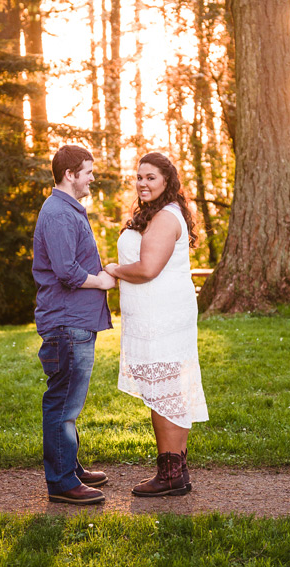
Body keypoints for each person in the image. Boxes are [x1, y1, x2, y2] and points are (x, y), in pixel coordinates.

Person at [105, 152, 208, 497]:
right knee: (167, 390)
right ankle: (176, 469)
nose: (143, 183)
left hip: (161, 315)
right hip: (157, 312)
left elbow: (148, 268)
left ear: (167, 181)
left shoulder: (165, 217)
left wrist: (114, 270)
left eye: (150, 177)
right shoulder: (158, 214)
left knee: (164, 391)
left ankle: (170, 474)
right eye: (139, 177)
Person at [33, 144, 116, 505]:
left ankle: (70, 467)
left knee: (69, 402)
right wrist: (102, 280)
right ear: (70, 175)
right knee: (63, 404)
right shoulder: (59, 214)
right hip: (67, 323)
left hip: (76, 321)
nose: (92, 178)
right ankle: (63, 483)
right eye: (88, 172)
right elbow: (67, 272)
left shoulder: (68, 211)